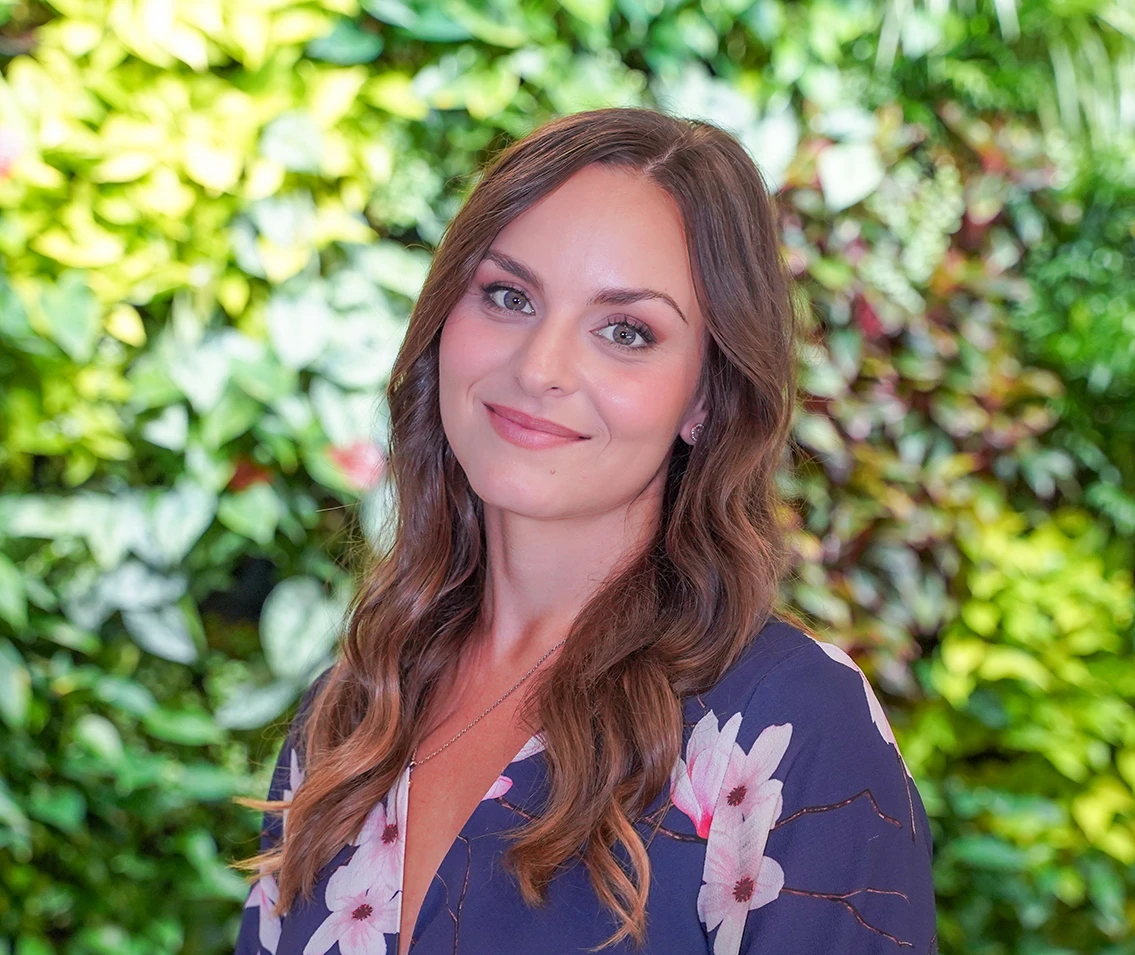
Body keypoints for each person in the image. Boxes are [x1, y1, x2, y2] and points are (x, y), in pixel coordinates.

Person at [233, 106, 937, 955]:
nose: (539, 367)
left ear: (706, 395)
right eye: (508, 296)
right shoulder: (351, 713)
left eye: (625, 331)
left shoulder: (791, 727)